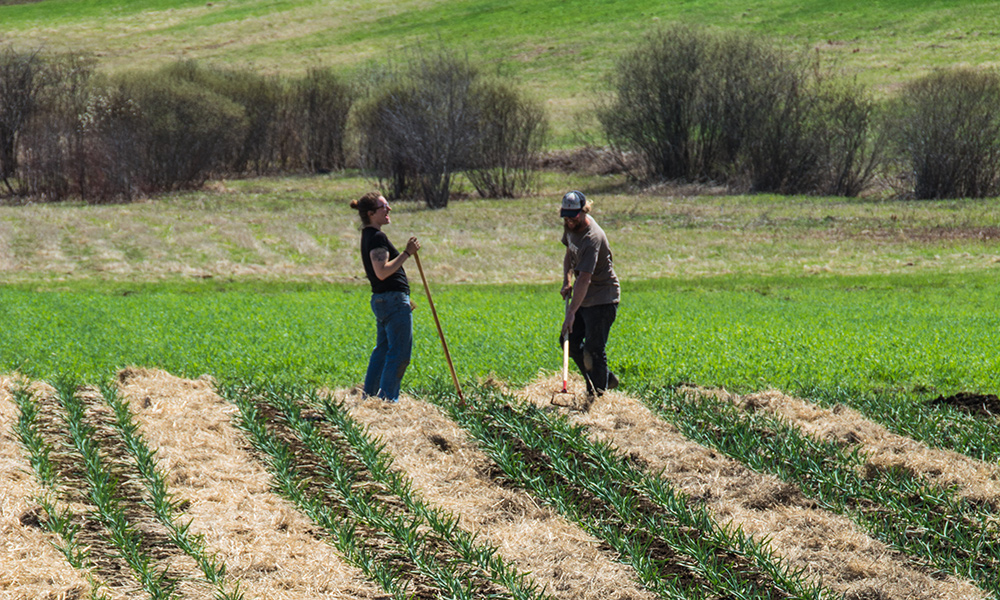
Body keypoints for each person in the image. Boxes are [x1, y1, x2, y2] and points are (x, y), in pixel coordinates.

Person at [350, 191, 420, 402]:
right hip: (392, 300)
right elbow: (382, 271)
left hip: (387, 299)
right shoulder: (377, 237)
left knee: (382, 350)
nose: (389, 210)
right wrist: (407, 253)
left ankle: (369, 398)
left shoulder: (369, 235)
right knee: (399, 354)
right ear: (371, 213)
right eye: (384, 207)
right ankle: (387, 401)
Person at [559, 190, 620, 397]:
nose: (569, 221)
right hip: (584, 296)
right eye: (566, 216)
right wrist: (567, 279)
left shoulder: (592, 237)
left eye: (573, 216)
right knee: (568, 341)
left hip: (603, 298)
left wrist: (571, 313)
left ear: (584, 211)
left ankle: (597, 396)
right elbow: (569, 252)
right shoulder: (570, 226)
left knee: (593, 349)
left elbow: (585, 278)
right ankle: (603, 379)